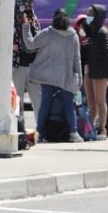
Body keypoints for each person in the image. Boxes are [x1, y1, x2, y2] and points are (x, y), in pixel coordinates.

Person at [23, 8, 84, 143]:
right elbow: (77, 58)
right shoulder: (73, 36)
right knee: (69, 104)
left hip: (47, 76)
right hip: (66, 77)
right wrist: (79, 77)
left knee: (45, 104)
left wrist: (26, 26)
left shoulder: (47, 33)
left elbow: (30, 44)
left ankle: (41, 134)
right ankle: (73, 133)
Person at [83, 4, 108, 137]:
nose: (88, 16)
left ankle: (102, 129)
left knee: (100, 101)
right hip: (89, 70)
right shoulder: (89, 31)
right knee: (90, 102)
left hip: (100, 71)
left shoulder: (103, 32)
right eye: (87, 13)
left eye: (91, 14)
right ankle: (90, 128)